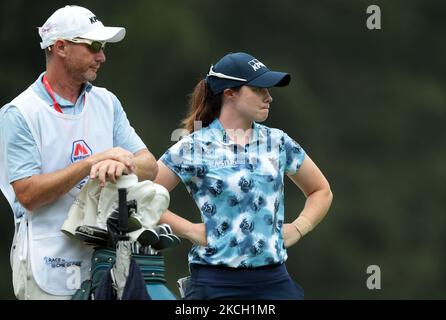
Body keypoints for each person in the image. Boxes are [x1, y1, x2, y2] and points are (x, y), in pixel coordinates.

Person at [0, 5, 158, 300]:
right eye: (94, 46)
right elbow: (28, 194)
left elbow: (149, 166)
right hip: (48, 260)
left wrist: (121, 164)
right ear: (60, 47)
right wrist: (91, 164)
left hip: (107, 260)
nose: (102, 56)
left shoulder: (106, 102)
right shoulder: (19, 112)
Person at [154, 52, 333, 299]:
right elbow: (144, 198)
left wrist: (300, 227)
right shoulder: (194, 146)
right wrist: (190, 230)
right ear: (230, 93)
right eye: (259, 89)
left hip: (275, 280)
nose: (268, 97)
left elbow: (320, 191)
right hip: (215, 282)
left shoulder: (277, 141)